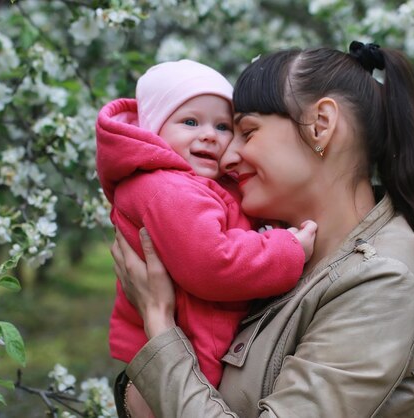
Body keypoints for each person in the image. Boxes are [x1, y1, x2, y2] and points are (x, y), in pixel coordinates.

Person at [110, 42, 414, 418]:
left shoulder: (381, 282)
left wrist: (159, 324)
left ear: (320, 126)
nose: (227, 156)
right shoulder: (273, 252)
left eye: (246, 132)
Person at [95, 59, 317, 390]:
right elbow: (212, 262)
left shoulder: (192, 183)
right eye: (190, 122)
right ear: (153, 129)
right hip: (189, 356)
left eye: (223, 126)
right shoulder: (165, 189)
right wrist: (286, 249)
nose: (210, 136)